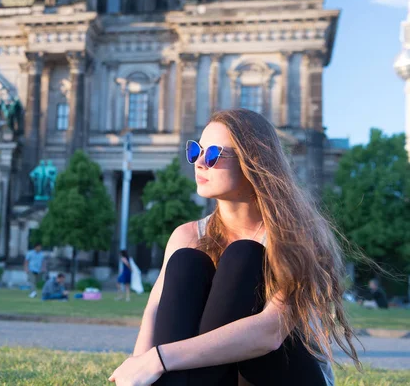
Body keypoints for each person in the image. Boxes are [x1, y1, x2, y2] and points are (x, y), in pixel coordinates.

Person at [109, 109, 362, 386]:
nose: (200, 163)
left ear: (252, 161)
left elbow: (270, 333)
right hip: (215, 378)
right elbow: (154, 311)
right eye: (196, 151)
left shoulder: (294, 235)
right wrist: (139, 367)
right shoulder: (187, 235)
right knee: (186, 262)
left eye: (214, 153)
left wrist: (158, 359)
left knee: (244, 256)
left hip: (285, 374)